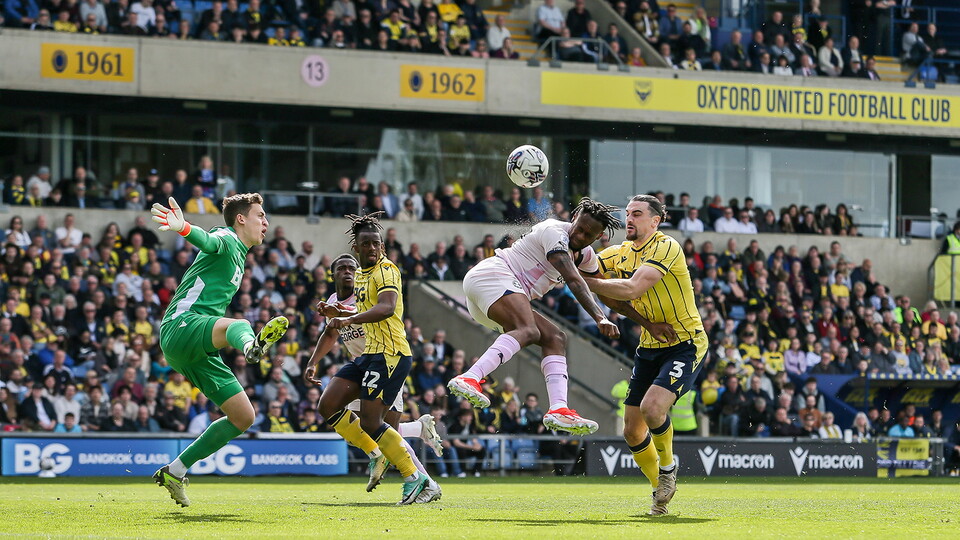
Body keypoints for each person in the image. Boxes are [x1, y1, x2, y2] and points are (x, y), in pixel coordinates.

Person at [150, 194, 290, 507]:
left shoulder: (240, 253)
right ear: (241, 218)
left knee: (243, 416)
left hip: (194, 347)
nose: (265, 223)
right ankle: (251, 346)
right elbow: (209, 242)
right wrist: (183, 227)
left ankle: (176, 470)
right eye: (260, 216)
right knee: (238, 324)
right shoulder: (226, 237)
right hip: (181, 326)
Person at [447, 199, 626, 435]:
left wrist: (646, 322)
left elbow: (604, 289)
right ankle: (470, 377)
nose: (580, 235)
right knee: (529, 329)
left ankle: (558, 409)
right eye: (579, 228)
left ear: (599, 236)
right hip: (490, 276)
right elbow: (574, 280)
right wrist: (599, 317)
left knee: (555, 337)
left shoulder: (586, 255)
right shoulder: (554, 231)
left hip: (496, 300)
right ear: (574, 218)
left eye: (587, 234)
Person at [583, 194, 706, 516]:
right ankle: (659, 491)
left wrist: (583, 281)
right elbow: (581, 261)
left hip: (685, 341)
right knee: (632, 430)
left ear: (656, 221)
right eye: (627, 214)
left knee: (653, 410)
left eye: (637, 214)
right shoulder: (619, 253)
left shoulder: (666, 246)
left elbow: (631, 290)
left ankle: (668, 470)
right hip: (650, 345)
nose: (629, 219)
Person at [314, 213, 432, 505]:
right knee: (328, 405)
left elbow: (387, 308)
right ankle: (381, 454)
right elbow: (354, 320)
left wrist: (347, 316)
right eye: (365, 244)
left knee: (375, 423)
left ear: (382, 246)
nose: (372, 249)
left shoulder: (387, 271)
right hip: (369, 356)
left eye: (376, 244)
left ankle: (416, 479)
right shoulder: (362, 278)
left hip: (390, 354)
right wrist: (337, 314)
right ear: (357, 247)